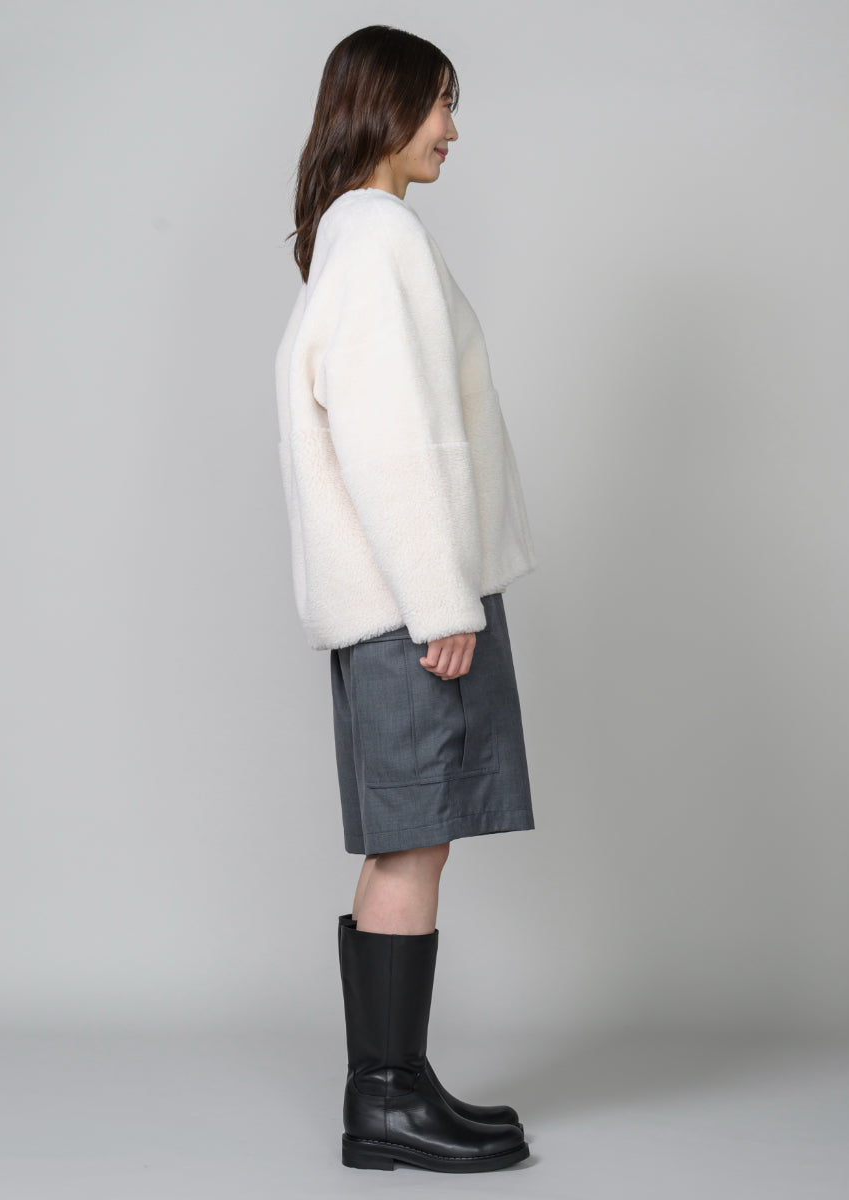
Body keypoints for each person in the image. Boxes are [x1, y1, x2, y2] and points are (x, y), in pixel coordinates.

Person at [274, 25, 539, 1173]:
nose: (453, 129)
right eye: (438, 103)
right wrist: (442, 602)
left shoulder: (353, 235)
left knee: (412, 840)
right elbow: (393, 440)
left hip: (392, 601)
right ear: (384, 107)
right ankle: (383, 1102)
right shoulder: (379, 236)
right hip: (408, 605)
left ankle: (397, 1084)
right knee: (412, 843)